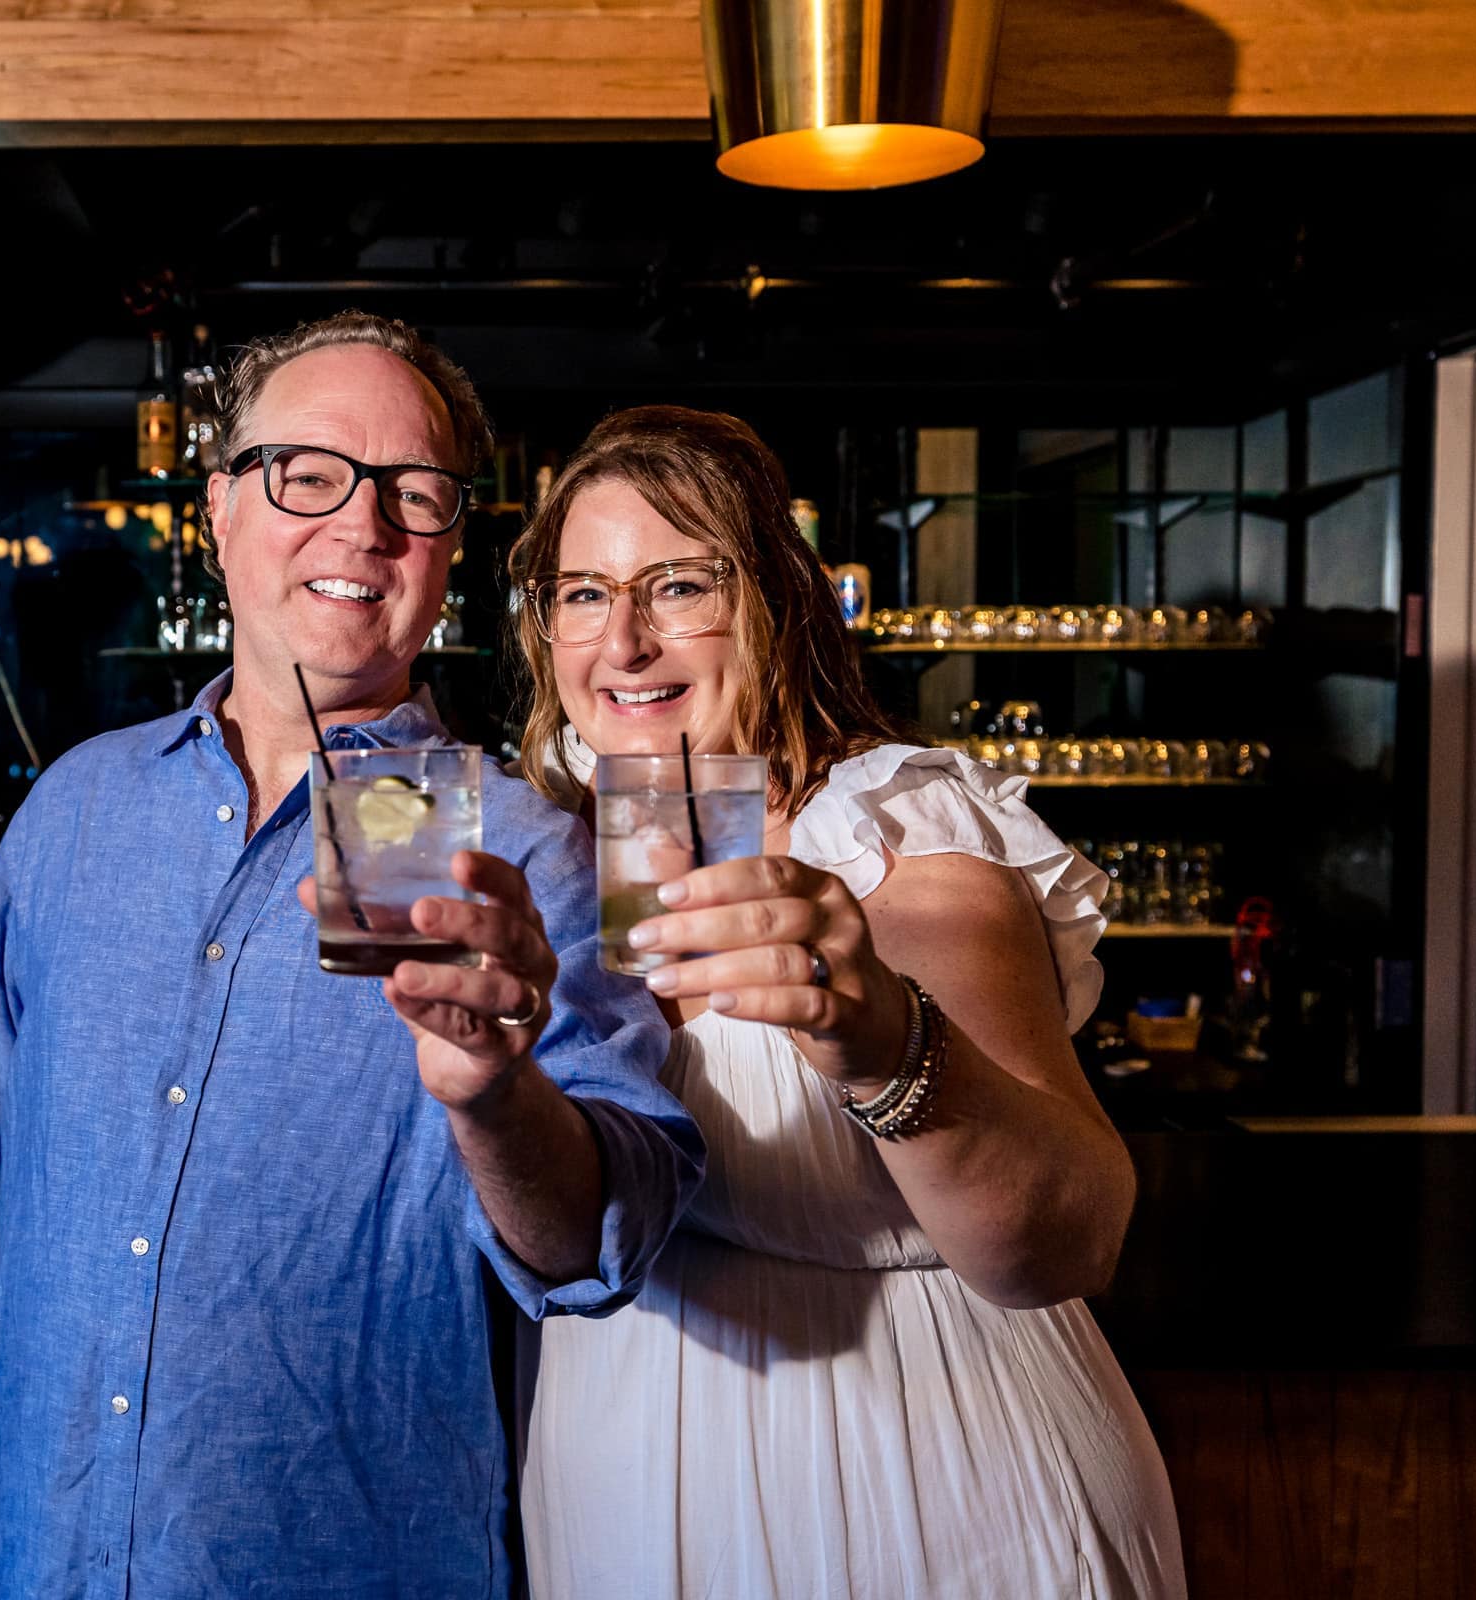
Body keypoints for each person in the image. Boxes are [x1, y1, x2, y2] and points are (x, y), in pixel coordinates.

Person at [0, 316, 703, 1599]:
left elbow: (607, 1237)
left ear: (449, 547)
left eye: (411, 492)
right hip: (32, 1562)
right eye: (305, 473)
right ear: (218, 506)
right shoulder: (74, 812)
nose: (360, 527)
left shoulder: (525, 855)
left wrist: (494, 1094)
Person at [508, 407, 1186, 1599]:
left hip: (916, 1471)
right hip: (623, 1463)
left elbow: (1080, 1235)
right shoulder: (554, 847)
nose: (620, 640)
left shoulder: (894, 838)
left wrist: (879, 1036)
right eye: (581, 593)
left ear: (774, 601)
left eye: (676, 586)